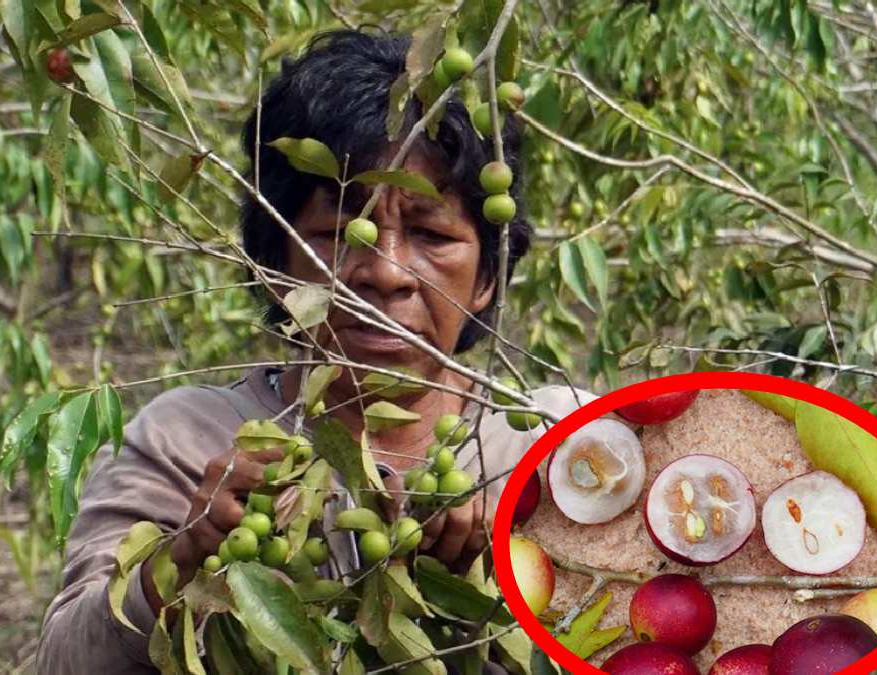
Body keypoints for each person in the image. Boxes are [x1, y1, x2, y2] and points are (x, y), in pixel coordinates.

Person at [36, 30, 581, 673]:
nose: (384, 273)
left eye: (432, 234)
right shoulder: (188, 439)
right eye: (337, 233)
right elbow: (65, 657)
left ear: (487, 277)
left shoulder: (559, 445)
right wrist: (182, 557)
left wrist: (499, 593)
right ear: (276, 265)